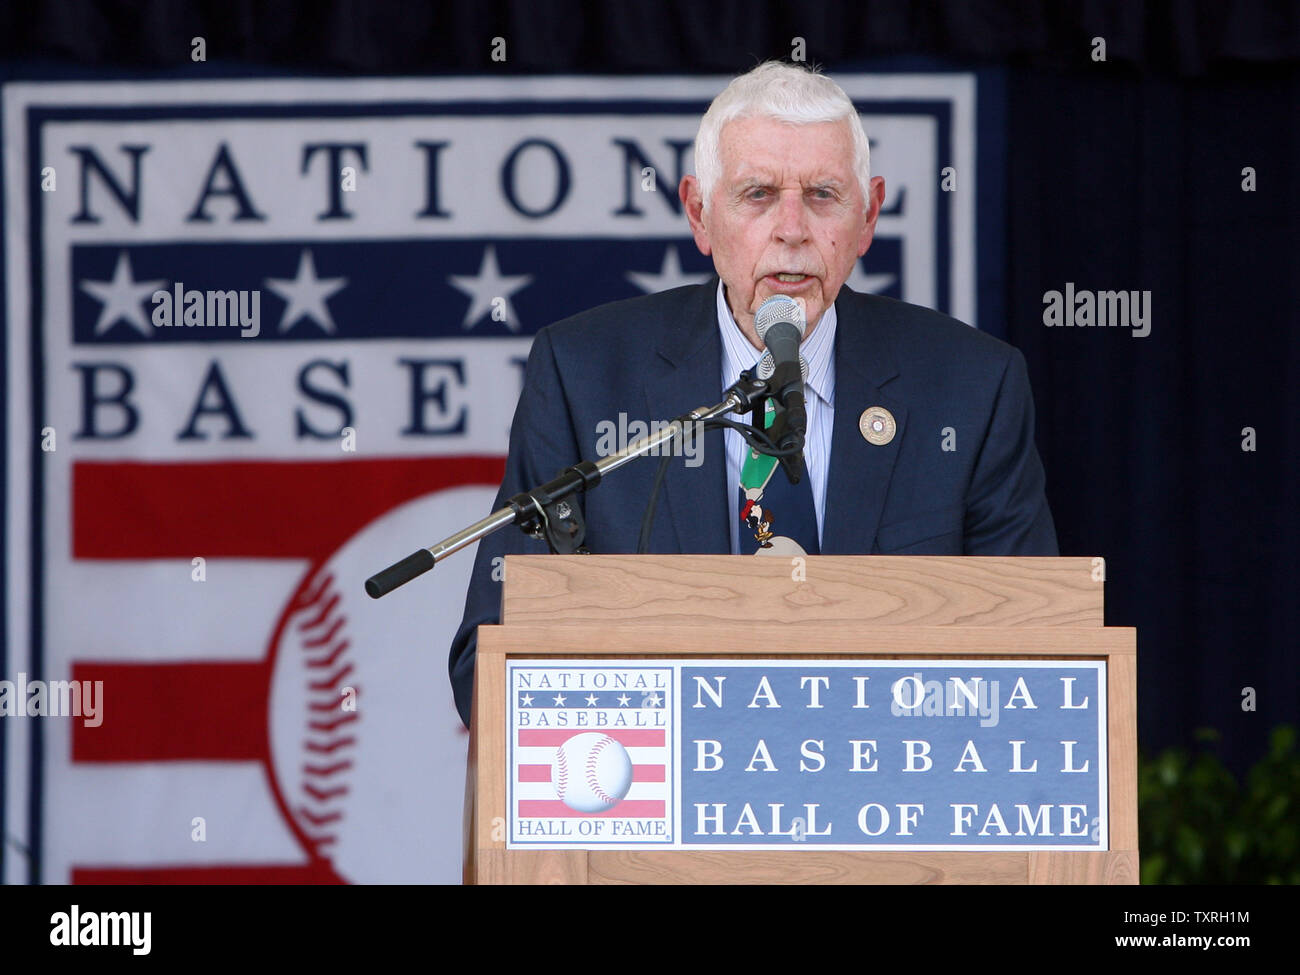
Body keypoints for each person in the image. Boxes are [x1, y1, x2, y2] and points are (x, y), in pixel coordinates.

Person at [448, 61, 1056, 727]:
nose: (791, 228)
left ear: (869, 214)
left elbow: (1038, 653)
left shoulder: (972, 384)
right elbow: (493, 650)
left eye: (823, 194)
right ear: (700, 215)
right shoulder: (584, 375)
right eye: (758, 194)